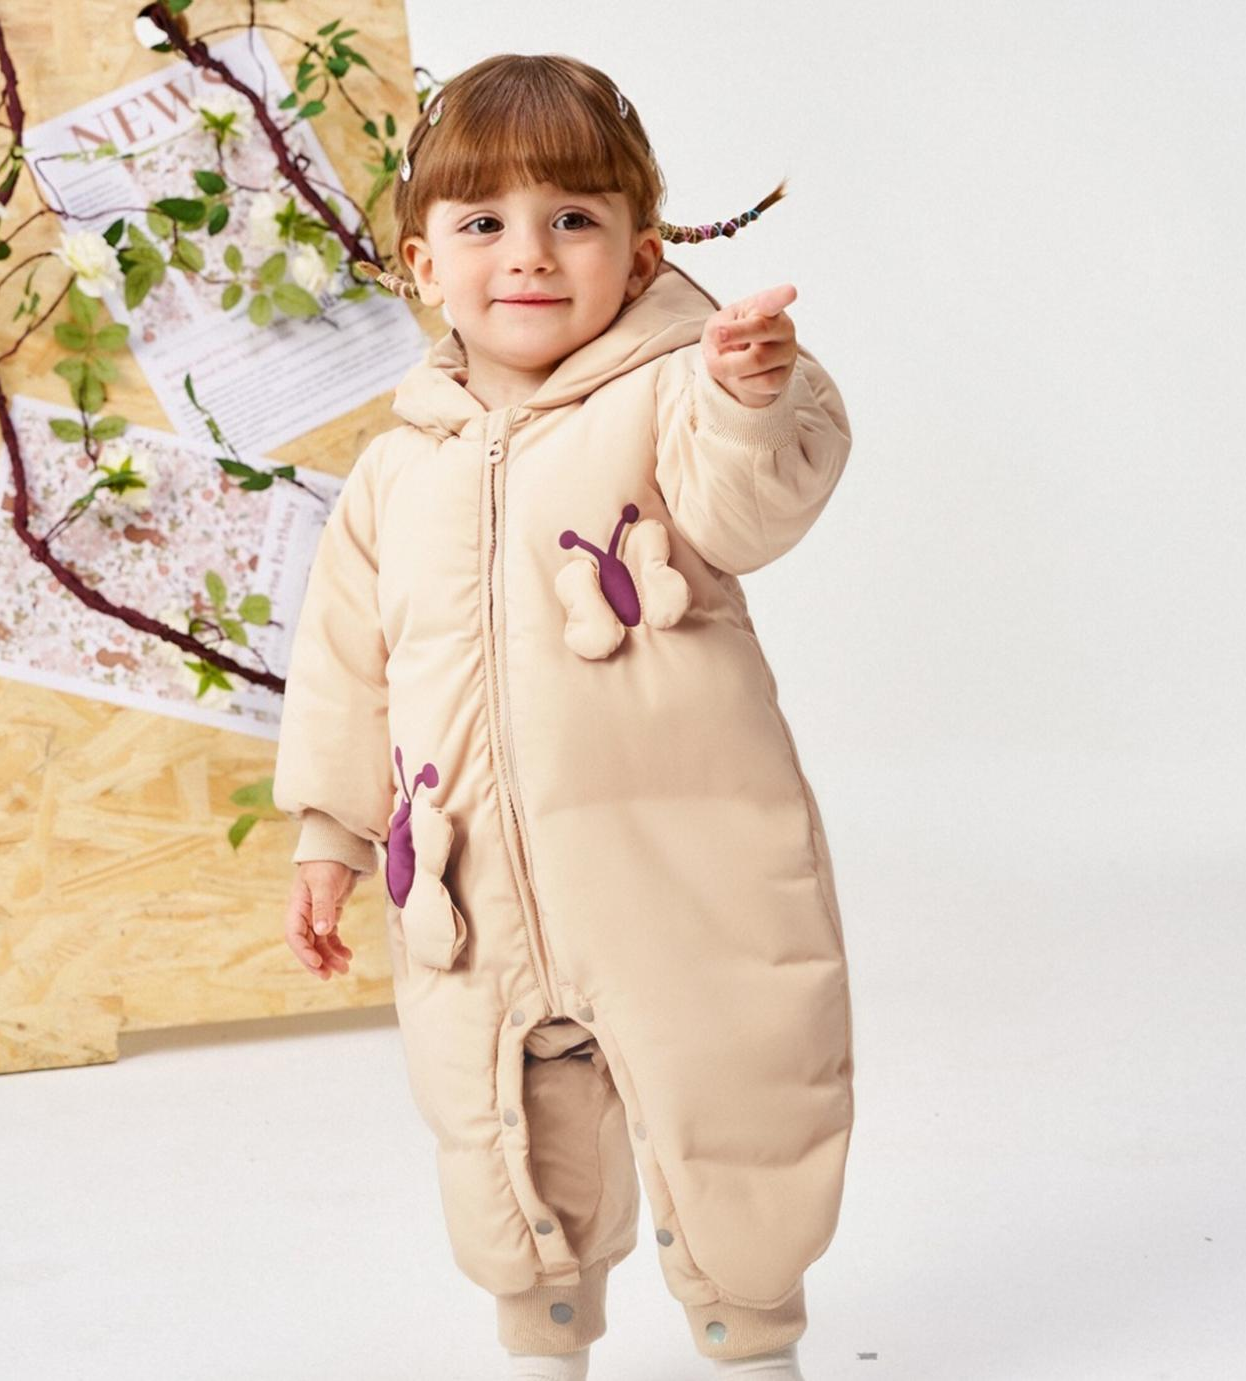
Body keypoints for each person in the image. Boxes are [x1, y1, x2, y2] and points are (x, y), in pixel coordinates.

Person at [273, 52, 855, 1381]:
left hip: (681, 865)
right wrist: (328, 834)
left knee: (737, 1088)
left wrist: (750, 398)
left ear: (641, 255)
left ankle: (751, 1337)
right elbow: (347, 664)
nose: (529, 254)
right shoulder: (393, 472)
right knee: (507, 1121)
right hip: (471, 878)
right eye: (484, 222)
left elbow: (746, 515)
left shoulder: (676, 394)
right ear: (424, 265)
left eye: (573, 218)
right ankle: (543, 1343)